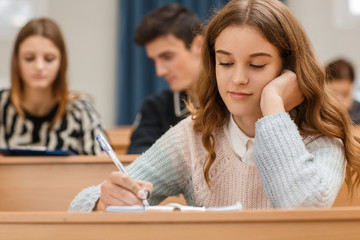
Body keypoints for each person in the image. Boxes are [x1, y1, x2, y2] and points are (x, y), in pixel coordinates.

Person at [69, 0, 360, 212]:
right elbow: (79, 206)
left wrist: (273, 105)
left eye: (257, 64)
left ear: (288, 68)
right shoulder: (192, 136)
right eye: (225, 62)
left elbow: (301, 206)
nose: (237, 78)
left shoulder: (321, 138)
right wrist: (102, 201)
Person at [0, 17, 107, 155]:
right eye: (29, 58)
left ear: (61, 63)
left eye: (49, 59)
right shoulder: (2, 104)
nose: (39, 67)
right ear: (17, 62)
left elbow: (102, 165)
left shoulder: (81, 109)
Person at [127, 3, 203, 154]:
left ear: (198, 46)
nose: (159, 72)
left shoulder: (232, 98)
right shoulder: (154, 107)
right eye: (154, 61)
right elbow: (137, 158)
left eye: (167, 57)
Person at [325, 58, 360, 124]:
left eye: (345, 94)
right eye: (333, 94)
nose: (339, 101)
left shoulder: (358, 111)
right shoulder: (316, 113)